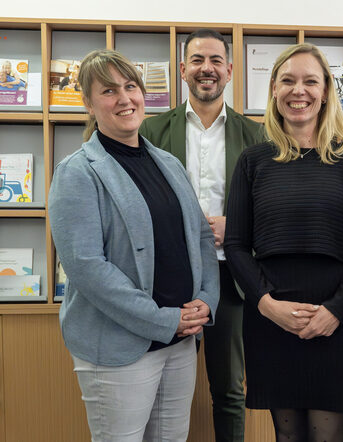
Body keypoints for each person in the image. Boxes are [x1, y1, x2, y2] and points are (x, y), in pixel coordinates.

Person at [48, 49, 219, 442]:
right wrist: (163, 319)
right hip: (120, 348)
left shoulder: (168, 164)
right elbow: (87, 267)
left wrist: (206, 299)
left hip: (180, 342)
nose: (125, 99)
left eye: (131, 87)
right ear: (89, 104)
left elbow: (200, 237)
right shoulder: (76, 173)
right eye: (109, 91)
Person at [224, 43, 343, 442]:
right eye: (288, 81)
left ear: (327, 91)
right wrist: (266, 305)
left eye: (310, 81)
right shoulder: (253, 160)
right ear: (275, 92)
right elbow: (235, 244)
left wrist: (337, 310)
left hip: (340, 319)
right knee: (287, 438)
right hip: (273, 319)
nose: (299, 91)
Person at [139, 28, 264, 442]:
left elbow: (273, 208)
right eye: (196, 60)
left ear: (229, 71)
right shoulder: (151, 132)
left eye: (214, 61)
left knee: (228, 389)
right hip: (168, 279)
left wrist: (238, 226)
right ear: (182, 70)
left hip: (230, 278)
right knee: (163, 386)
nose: (205, 69)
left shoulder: (256, 136)